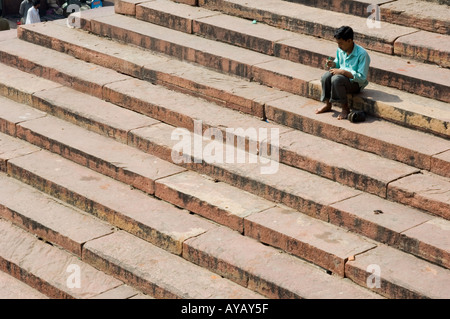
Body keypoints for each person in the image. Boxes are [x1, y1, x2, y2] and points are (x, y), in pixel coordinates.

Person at [316, 26, 370, 120]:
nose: (339, 46)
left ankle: (345, 108)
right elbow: (338, 64)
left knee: (336, 79)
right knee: (325, 76)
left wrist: (343, 72)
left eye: (341, 43)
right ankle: (328, 104)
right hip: (341, 78)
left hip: (355, 84)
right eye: (338, 43)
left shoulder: (362, 54)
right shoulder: (341, 50)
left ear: (349, 41)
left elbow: (362, 78)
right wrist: (333, 64)